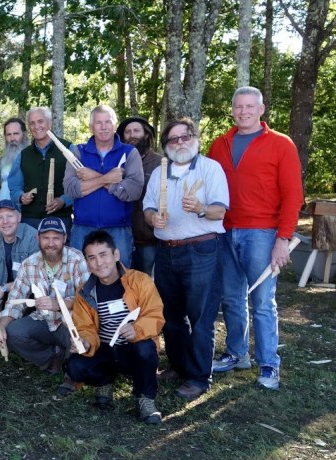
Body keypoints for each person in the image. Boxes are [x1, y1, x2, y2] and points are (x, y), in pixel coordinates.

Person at [207, 86, 304, 390]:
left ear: (261, 110)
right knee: (232, 298)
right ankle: (237, 353)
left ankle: (268, 363)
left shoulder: (280, 144)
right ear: (232, 110)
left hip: (262, 233)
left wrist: (283, 239)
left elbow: (293, 195)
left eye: (250, 106)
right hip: (225, 231)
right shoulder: (220, 145)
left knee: (262, 301)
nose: (244, 111)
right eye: (238, 106)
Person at [143, 118, 229, 400]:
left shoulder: (210, 168)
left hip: (201, 249)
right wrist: (153, 218)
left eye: (185, 136)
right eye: (174, 139)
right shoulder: (160, 172)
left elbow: (220, 211)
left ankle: (199, 376)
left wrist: (201, 208)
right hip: (166, 250)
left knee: (201, 316)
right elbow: (148, 208)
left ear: (195, 138)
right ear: (166, 145)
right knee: (171, 315)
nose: (180, 142)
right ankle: (179, 366)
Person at [67, 230, 165, 425]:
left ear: (116, 255)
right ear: (87, 262)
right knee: (75, 366)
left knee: (145, 348)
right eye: (92, 258)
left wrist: (136, 329)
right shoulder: (84, 292)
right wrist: (85, 343)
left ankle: (145, 398)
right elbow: (85, 327)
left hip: (132, 348)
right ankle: (105, 380)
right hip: (105, 349)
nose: (99, 263)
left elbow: (155, 314)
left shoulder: (140, 280)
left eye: (103, 255)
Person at [0, 217, 88, 380]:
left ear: (65, 238)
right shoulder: (29, 264)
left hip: (70, 322)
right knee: (12, 332)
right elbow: (15, 301)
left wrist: (59, 304)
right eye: (46, 238)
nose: (51, 243)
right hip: (43, 319)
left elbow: (87, 300)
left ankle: (71, 366)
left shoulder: (77, 260)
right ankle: (52, 356)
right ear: (38, 238)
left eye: (56, 238)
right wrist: (0, 325)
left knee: (81, 344)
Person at [62, 105, 144, 266]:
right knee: (81, 277)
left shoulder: (129, 152)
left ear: (115, 125)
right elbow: (70, 189)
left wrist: (91, 178)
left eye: (108, 122)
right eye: (99, 123)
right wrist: (108, 179)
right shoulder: (79, 152)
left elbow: (134, 190)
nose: (104, 127)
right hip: (82, 228)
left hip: (118, 229)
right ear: (91, 127)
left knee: (120, 276)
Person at [9, 107, 74, 231]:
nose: (36, 126)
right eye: (32, 123)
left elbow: (80, 184)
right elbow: (14, 188)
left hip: (60, 220)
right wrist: (21, 197)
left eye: (40, 121)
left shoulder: (68, 149)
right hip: (30, 222)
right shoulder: (23, 155)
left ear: (50, 123)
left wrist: (64, 200)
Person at [117, 116, 162, 274]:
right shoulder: (118, 162)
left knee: (147, 282)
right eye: (128, 132)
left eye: (136, 131)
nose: (132, 135)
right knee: (123, 281)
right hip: (121, 234)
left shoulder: (160, 163)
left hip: (148, 239)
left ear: (146, 134)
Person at [0, 117, 25, 202]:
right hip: (2, 207)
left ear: (24, 134)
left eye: (16, 134)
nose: (12, 138)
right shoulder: (4, 160)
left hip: (20, 208)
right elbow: (2, 186)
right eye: (8, 134)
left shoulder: (30, 158)